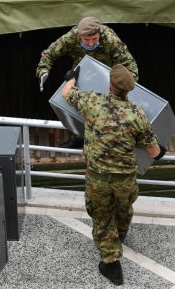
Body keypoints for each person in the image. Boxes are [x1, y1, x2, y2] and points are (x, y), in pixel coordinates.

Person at [61, 64, 165, 286]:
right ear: (129, 90)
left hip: (98, 178)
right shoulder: (137, 114)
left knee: (102, 217)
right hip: (125, 179)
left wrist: (71, 77)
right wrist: (158, 149)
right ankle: (120, 235)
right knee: (124, 209)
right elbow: (154, 152)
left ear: (109, 85)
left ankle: (111, 264)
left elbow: (66, 93)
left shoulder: (93, 102)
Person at [37, 16, 139, 148]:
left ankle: (111, 139)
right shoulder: (71, 37)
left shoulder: (111, 40)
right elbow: (49, 53)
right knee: (78, 105)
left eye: (94, 39)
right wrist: (43, 71)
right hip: (82, 73)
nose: (91, 43)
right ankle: (80, 137)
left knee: (107, 108)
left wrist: (125, 88)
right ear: (79, 36)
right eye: (86, 40)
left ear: (99, 34)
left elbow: (130, 65)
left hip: (106, 75)